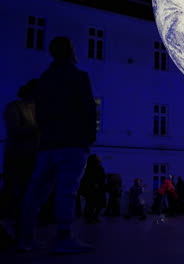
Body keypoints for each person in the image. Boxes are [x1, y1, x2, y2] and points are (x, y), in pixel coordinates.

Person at [17, 36, 97, 254]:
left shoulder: (45, 79)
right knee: (66, 191)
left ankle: (25, 237)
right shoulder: (78, 76)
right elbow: (89, 109)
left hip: (47, 143)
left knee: (36, 192)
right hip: (72, 142)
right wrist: (88, 138)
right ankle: (64, 236)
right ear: (70, 51)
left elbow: (25, 94)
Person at [0, 79, 40, 237]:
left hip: (32, 157)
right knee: (13, 190)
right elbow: (15, 130)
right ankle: (7, 223)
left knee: (28, 193)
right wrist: (39, 126)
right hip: (17, 156)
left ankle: (22, 230)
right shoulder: (14, 107)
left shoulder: (37, 109)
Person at [80, 154, 107, 223]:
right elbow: (87, 178)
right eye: (97, 158)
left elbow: (103, 177)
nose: (99, 158)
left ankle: (95, 216)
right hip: (91, 188)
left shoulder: (100, 168)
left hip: (100, 188)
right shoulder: (90, 168)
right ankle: (90, 217)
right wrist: (93, 183)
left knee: (100, 204)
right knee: (91, 203)